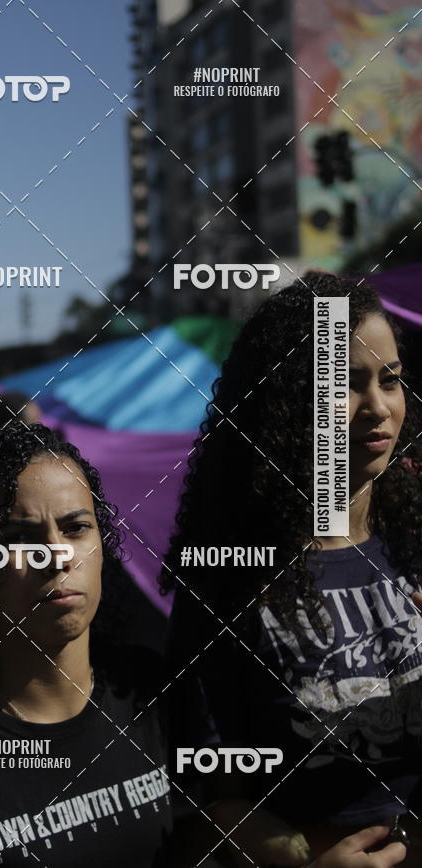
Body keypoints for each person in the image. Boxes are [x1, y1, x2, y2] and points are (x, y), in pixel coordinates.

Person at [0, 425, 407, 868]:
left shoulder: (154, 696)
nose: (56, 555)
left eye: (76, 527)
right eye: (18, 537)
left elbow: (202, 836)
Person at [163, 273, 422, 867]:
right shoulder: (227, 578)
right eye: (347, 385)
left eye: (391, 380)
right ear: (289, 399)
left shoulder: (414, 543)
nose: (378, 408)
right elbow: (204, 796)